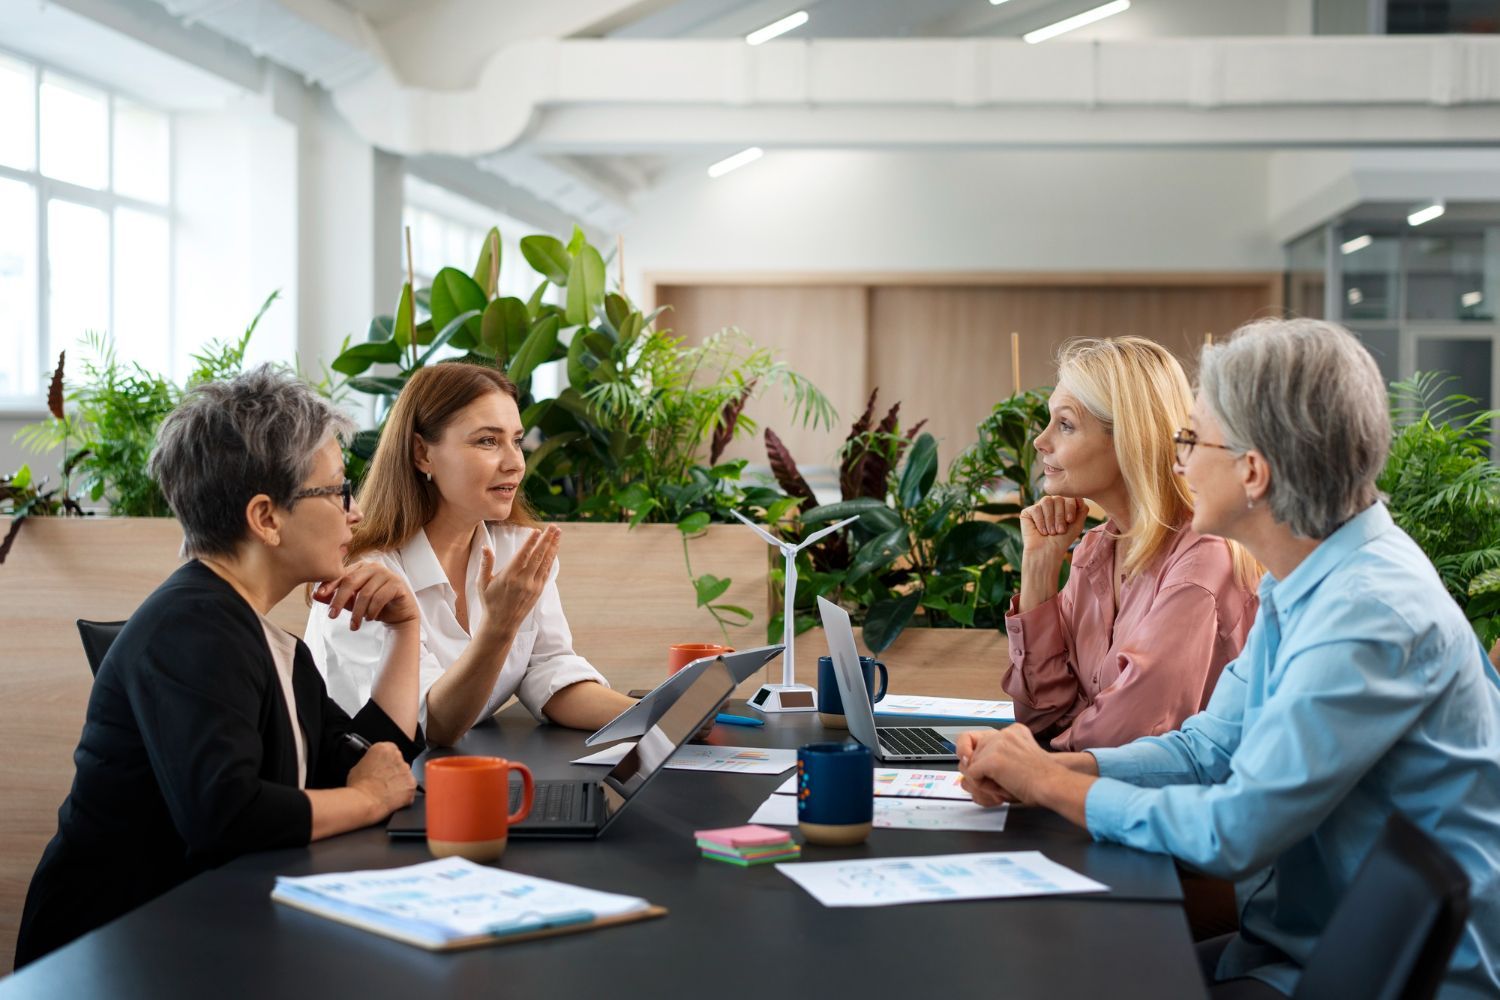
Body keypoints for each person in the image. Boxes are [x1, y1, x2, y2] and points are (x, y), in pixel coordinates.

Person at [960, 318, 1500, 998]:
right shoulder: (1300, 580)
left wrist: (1047, 784)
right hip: (1292, 948)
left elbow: (1234, 831)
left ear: (1253, 470)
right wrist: (1046, 767)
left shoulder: (1369, 613)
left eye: (1189, 439)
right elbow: (1202, 751)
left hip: (1372, 979)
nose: (1176, 460)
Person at [15, 366, 422, 968]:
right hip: (111, 956)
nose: (354, 512)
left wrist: (405, 632)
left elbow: (375, 758)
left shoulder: (265, 640)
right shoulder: (190, 628)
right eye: (339, 491)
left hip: (206, 933)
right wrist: (364, 800)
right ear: (266, 517)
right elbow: (227, 814)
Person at [305, 362, 637, 746]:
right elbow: (433, 724)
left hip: (452, 775)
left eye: (516, 440)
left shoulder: (516, 550)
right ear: (422, 454)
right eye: (487, 441)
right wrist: (499, 625)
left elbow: (549, 670)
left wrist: (655, 717)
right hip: (366, 784)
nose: (515, 462)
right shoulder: (365, 579)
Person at [1004, 336, 1259, 750]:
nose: (1041, 440)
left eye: (1065, 424)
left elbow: (1127, 740)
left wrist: (1025, 765)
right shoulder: (1096, 549)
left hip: (1167, 808)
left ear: (1128, 439)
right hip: (1089, 796)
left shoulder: (1201, 563)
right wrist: (1039, 564)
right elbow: (1040, 716)